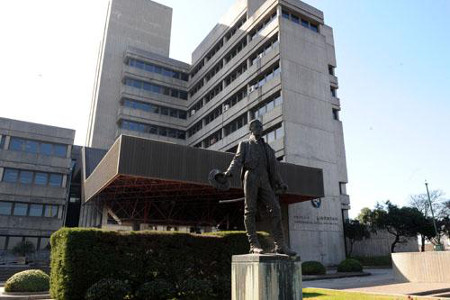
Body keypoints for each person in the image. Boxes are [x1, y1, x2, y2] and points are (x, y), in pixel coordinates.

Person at [221, 119, 296, 256]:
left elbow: (274, 169)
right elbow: (237, 160)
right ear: (251, 129)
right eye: (255, 126)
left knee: (276, 209)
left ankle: (280, 245)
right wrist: (229, 172)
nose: (258, 128)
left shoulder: (268, 149)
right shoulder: (244, 144)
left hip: (265, 179)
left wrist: (280, 182)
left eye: (260, 126)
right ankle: (253, 244)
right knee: (250, 210)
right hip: (251, 177)